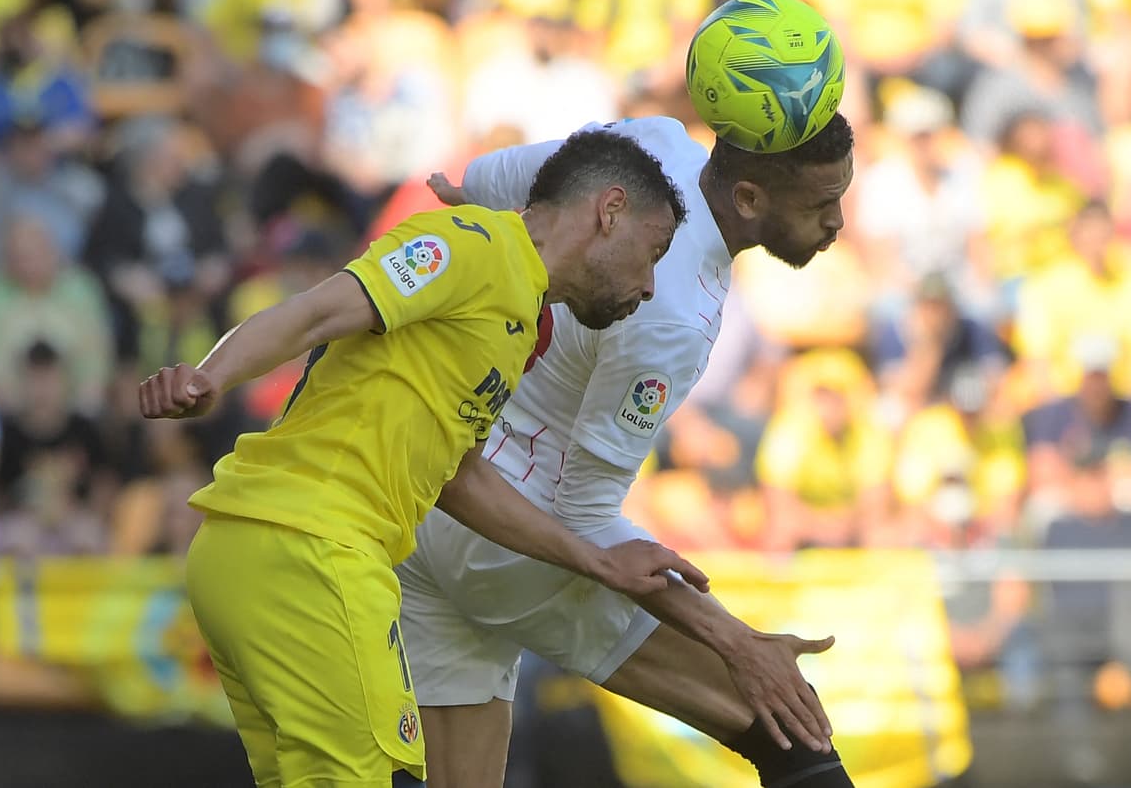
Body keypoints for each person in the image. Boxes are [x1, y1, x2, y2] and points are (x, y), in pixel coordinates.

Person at [138, 128, 710, 788]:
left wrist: (599, 559)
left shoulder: (520, 320)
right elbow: (318, 311)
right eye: (653, 252)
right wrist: (210, 378)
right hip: (312, 546)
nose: (648, 285)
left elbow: (459, 477)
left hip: (256, 550)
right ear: (609, 212)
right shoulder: (476, 245)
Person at [401, 111, 857, 788]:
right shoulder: (673, 312)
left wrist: (463, 198)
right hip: (513, 537)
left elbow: (491, 178)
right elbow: (585, 518)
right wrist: (736, 639)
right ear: (751, 199)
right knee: (792, 730)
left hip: (435, 494)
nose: (838, 221)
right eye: (822, 203)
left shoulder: (653, 141)